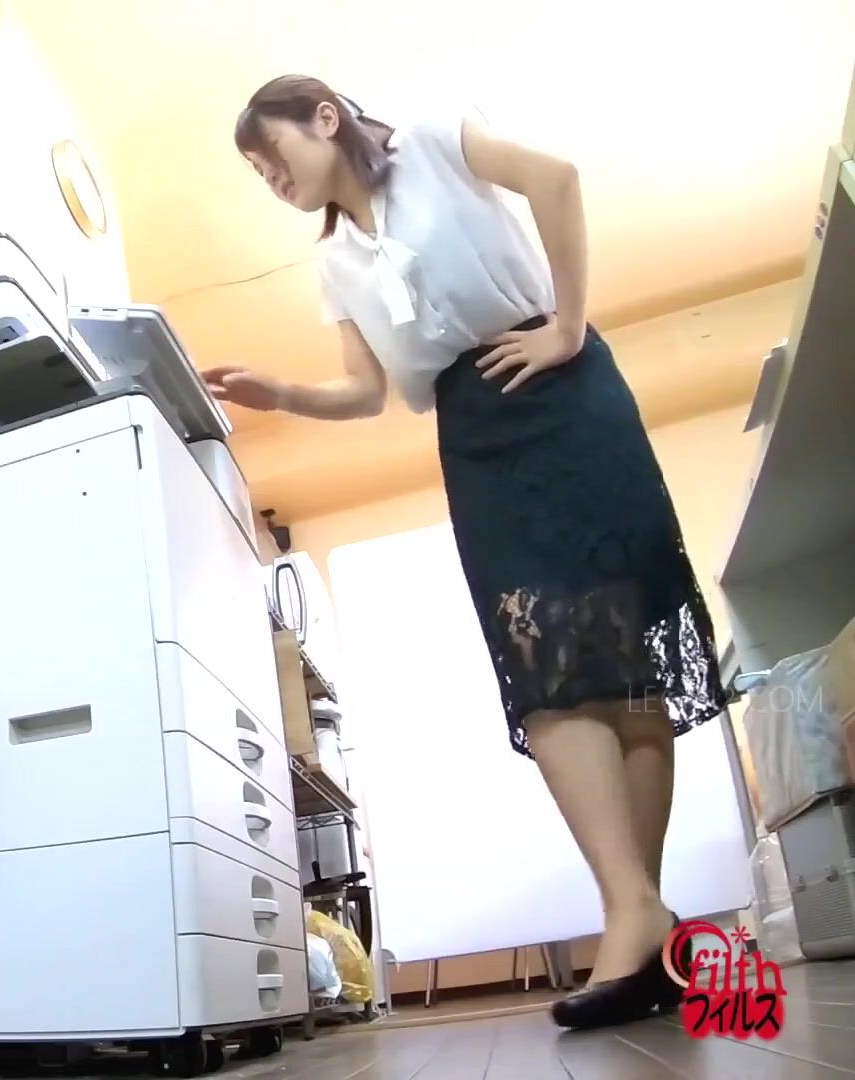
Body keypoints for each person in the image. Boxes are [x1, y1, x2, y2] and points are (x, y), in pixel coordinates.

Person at [209, 75, 726, 1030]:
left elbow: (557, 178)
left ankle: (633, 919)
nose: (269, 177)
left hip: (567, 387)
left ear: (324, 117)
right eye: (255, 172)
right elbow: (367, 393)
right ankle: (638, 913)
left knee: (625, 654)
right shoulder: (336, 265)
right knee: (543, 667)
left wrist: (567, 326)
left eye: (269, 152)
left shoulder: (437, 139)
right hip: (477, 432)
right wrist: (280, 394)